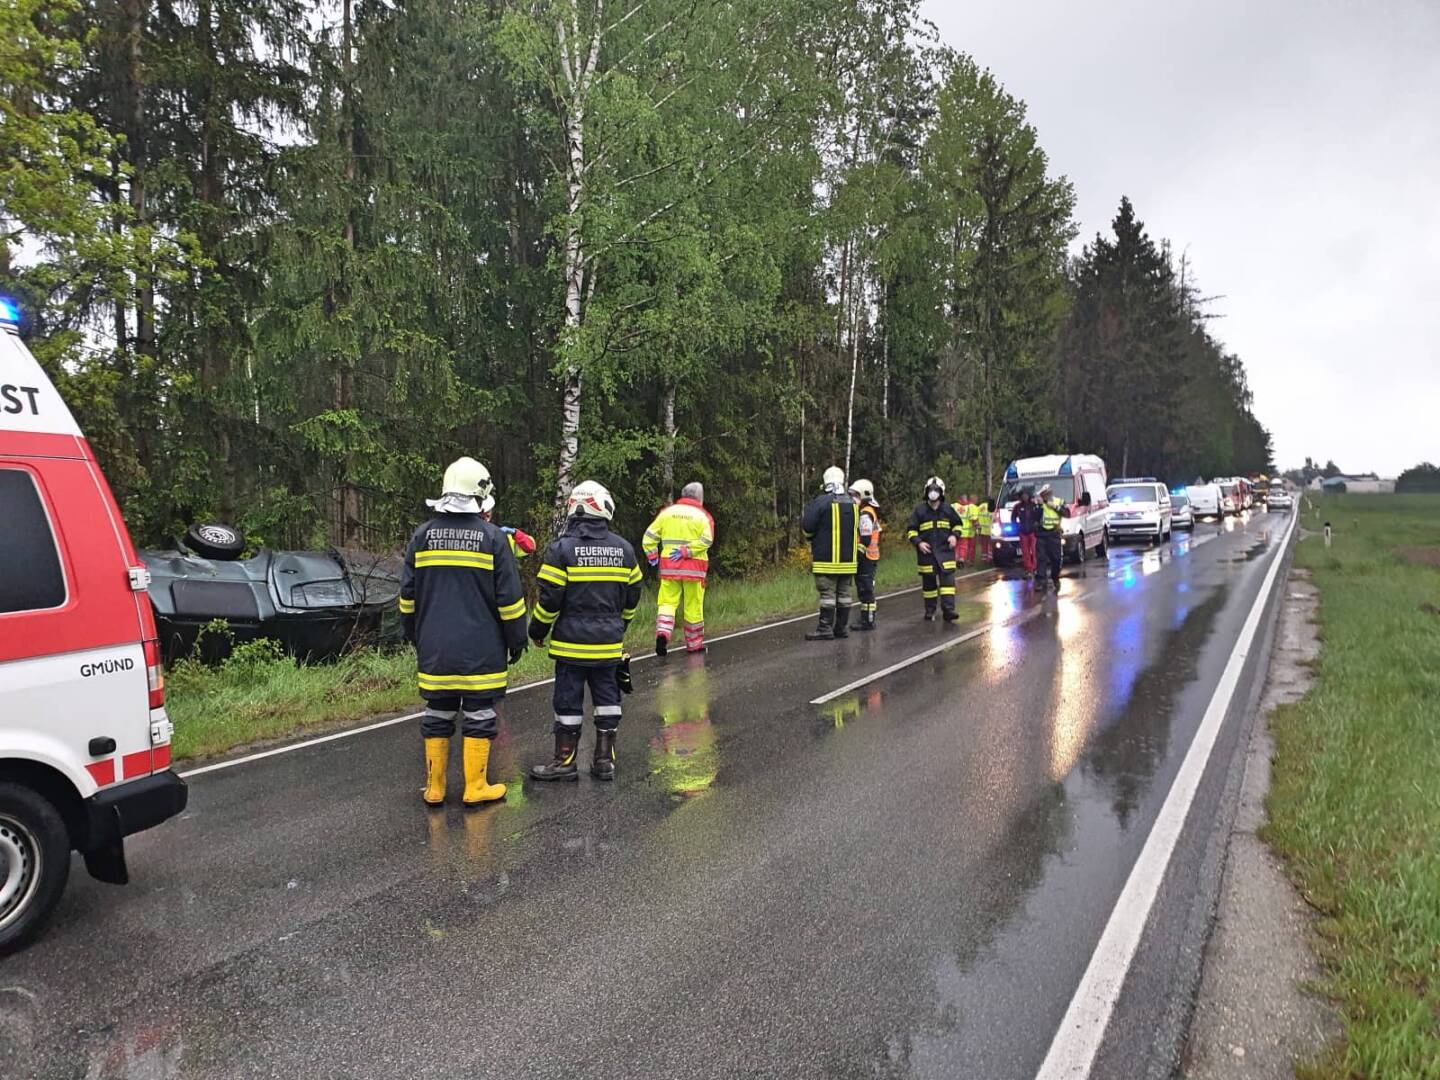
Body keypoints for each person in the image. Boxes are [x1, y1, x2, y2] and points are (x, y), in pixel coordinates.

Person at [400, 457, 529, 808]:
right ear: (480, 496)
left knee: (437, 711)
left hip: (434, 648)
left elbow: (407, 599)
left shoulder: (422, 536)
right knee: (479, 711)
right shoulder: (492, 539)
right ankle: (475, 786)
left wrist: (416, 636)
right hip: (482, 649)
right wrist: (517, 640)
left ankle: (436, 787)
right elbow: (511, 603)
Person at [529, 481, 643, 782]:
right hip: (607, 647)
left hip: (570, 647)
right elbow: (633, 596)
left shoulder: (561, 550)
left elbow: (549, 600)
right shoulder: (624, 550)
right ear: (604, 508)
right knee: (608, 699)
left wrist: (537, 629)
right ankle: (604, 761)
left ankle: (564, 762)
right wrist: (621, 625)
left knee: (567, 703)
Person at [642, 481, 715, 656]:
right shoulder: (703, 516)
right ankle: (694, 645)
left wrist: (652, 556)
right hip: (694, 569)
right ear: (699, 497)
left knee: (667, 603)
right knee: (693, 607)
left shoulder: (667, 513)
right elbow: (707, 540)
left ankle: (663, 633)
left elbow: (649, 536)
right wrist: (687, 551)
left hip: (669, 568)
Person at [801, 466, 860, 640]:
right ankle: (841, 629)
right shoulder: (853, 503)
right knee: (844, 595)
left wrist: (812, 538)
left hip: (826, 560)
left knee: (827, 596)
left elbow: (807, 526)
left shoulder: (821, 502)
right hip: (848, 562)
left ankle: (825, 628)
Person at [905, 476, 963, 621]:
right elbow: (911, 530)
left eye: (936, 490)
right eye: (931, 489)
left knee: (948, 584)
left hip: (945, 552)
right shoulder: (920, 511)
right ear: (926, 491)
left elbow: (958, 525)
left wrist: (954, 536)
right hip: (927, 554)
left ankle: (948, 611)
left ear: (941, 492)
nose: (933, 492)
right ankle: (930, 611)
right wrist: (919, 543)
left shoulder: (948, 510)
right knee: (929, 586)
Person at [849, 478, 882, 631]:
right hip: (870, 556)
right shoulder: (866, 511)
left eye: (855, 495)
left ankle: (868, 621)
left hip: (866, 558)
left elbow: (866, 538)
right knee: (864, 588)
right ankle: (866, 619)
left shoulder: (865, 513)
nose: (852, 498)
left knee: (866, 589)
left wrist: (857, 555)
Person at [480, 493, 537, 561]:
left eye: (488, 511)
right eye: (484, 513)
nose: (487, 514)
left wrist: (515, 533)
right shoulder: (471, 535)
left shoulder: (503, 536)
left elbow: (530, 547)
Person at [1036, 482, 1070, 592]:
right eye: (1042, 495)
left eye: (1046, 494)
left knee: (1056, 560)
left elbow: (1067, 513)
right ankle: (1041, 581)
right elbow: (1034, 517)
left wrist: (1055, 507)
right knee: (1041, 559)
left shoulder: (1058, 501)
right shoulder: (1039, 504)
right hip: (1042, 534)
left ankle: (1055, 578)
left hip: (1054, 534)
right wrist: (1040, 505)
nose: (1044, 496)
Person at [1012, 486, 1041, 579]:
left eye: (1026, 495)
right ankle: (1028, 569)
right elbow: (1013, 518)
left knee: (1034, 550)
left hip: (1033, 531)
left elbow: (1038, 515)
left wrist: (1037, 525)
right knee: (1025, 552)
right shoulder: (1017, 506)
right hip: (1023, 531)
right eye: (1023, 495)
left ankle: (1035, 568)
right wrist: (1016, 526)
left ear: (1028, 496)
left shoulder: (1033, 505)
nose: (1024, 497)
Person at [954, 492, 975, 565]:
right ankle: (961, 560)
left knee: (956, 546)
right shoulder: (969, 507)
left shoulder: (954, 506)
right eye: (965, 499)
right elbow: (973, 519)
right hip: (965, 532)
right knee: (963, 547)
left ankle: (955, 560)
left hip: (955, 531)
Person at [976, 497, 994, 563]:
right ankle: (989, 559)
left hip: (982, 529)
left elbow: (976, 516)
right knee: (990, 545)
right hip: (990, 530)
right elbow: (993, 518)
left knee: (984, 545)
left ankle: (984, 558)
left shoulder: (980, 506)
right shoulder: (992, 508)